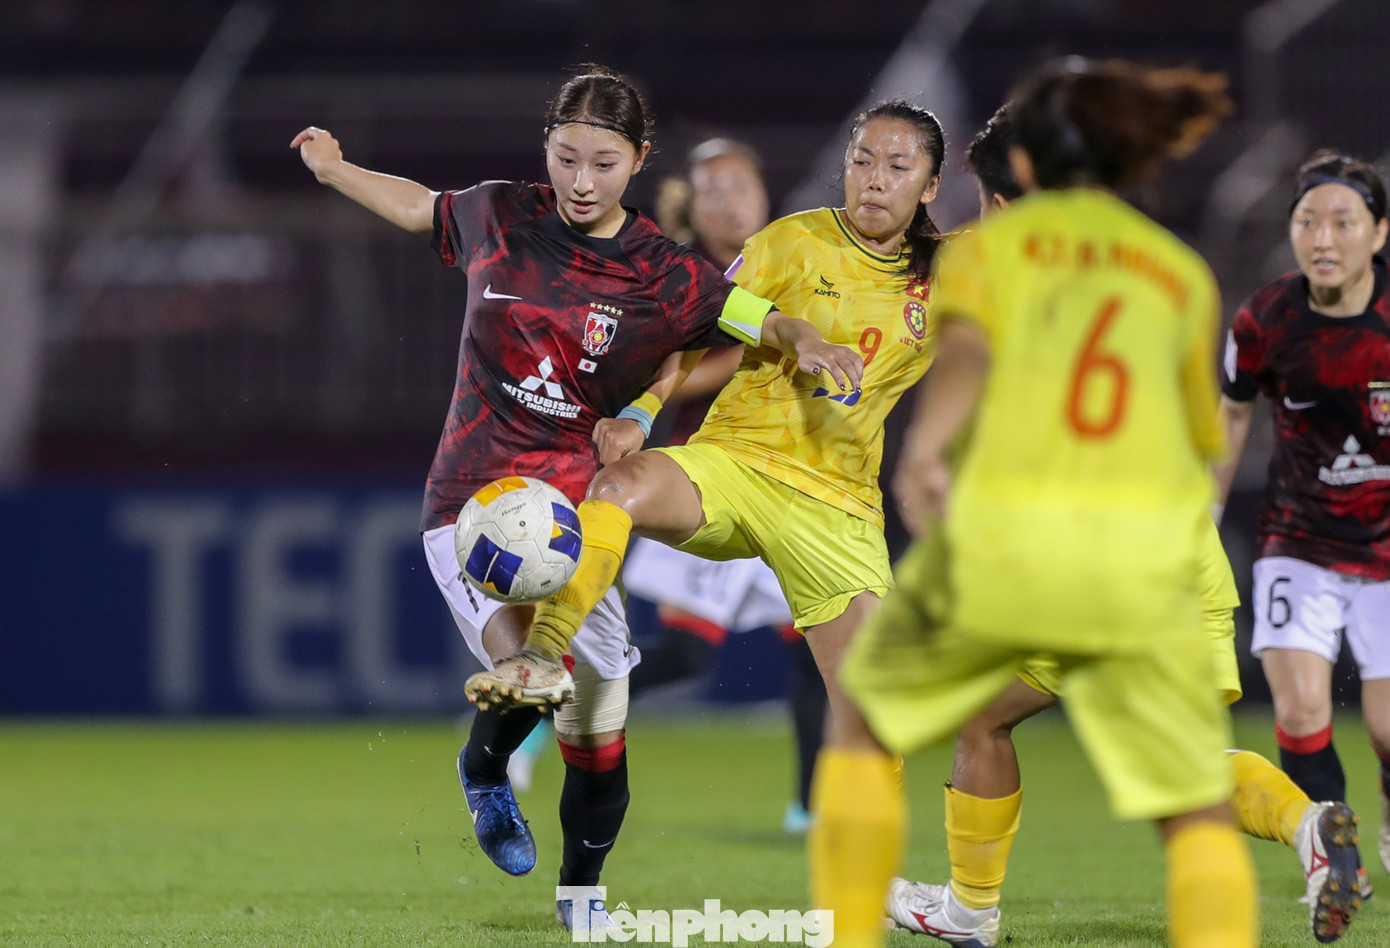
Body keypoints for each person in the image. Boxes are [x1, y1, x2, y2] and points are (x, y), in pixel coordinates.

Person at [289, 63, 859, 933]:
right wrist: (336, 170)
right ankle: (487, 774)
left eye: (602, 162)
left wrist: (805, 339)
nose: (580, 181)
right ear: (545, 149)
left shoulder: (666, 275)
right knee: (528, 665)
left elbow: (757, 321)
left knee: (599, 720)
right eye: (565, 157)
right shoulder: (498, 214)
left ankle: (582, 893)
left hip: (576, 516)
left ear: (638, 161)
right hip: (474, 505)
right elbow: (418, 205)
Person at [883, 105, 1364, 948]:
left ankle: (970, 911)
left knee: (979, 717)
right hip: (1180, 549)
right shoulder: (1150, 267)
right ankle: (1308, 826)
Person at [463, 99, 944, 891]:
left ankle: (869, 887)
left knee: (869, 713)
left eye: (898, 167)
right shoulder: (792, 241)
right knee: (617, 487)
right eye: (863, 160)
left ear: (930, 185)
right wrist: (641, 413)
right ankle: (543, 658)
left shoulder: (949, 273)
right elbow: (693, 335)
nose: (875, 180)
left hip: (839, 507)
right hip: (736, 464)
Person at [835, 58, 1260, 948]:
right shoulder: (1177, 272)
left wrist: (923, 460)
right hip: (1148, 556)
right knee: (1186, 797)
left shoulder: (999, 252)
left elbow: (966, 365)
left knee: (866, 714)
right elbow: (1201, 437)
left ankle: (857, 925)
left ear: (1023, 175)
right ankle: (972, 912)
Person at [625, 136, 826, 833]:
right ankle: (555, 707)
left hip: (790, 479)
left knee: (819, 653)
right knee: (687, 654)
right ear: (694, 205)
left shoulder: (795, 262)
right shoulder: (681, 274)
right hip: (708, 475)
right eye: (713, 189)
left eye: (742, 185)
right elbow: (670, 373)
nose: (731, 199)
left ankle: (809, 808)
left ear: (765, 194)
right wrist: (761, 339)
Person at [1215, 149, 1390, 882]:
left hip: (1388, 548)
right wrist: (1204, 513)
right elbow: (1229, 413)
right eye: (1307, 221)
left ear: (1378, 234)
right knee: (1300, 709)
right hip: (1299, 540)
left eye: (1342, 222)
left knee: (1386, 731)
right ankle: (1334, 860)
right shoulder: (1266, 318)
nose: (1323, 238)